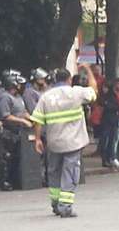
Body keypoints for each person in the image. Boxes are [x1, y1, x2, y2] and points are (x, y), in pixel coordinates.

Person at [31, 65, 97, 218]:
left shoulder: (46, 96)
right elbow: (94, 91)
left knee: (54, 171)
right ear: (69, 79)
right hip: (73, 142)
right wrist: (88, 71)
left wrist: (37, 139)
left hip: (54, 142)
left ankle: (55, 203)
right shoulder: (76, 92)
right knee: (70, 173)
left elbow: (37, 120)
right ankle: (65, 207)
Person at [0, 73, 33, 191]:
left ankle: (16, 180)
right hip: (9, 131)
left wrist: (32, 118)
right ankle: (6, 181)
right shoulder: (5, 97)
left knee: (18, 157)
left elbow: (23, 111)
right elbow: (6, 116)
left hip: (20, 132)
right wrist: (22, 121)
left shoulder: (18, 98)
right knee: (8, 157)